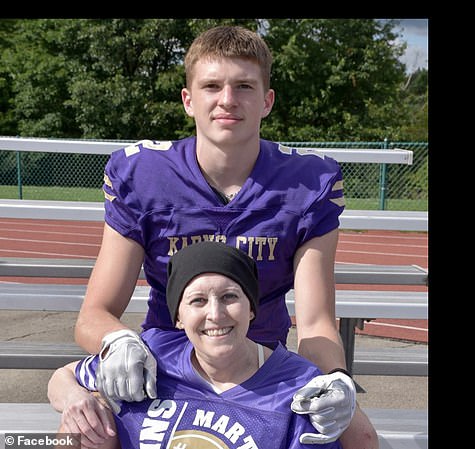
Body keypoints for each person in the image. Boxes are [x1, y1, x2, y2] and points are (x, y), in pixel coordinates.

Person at [71, 25, 377, 448]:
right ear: (188, 99)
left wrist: (336, 381)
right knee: (83, 430)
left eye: (244, 86)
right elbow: (94, 314)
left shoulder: (307, 182)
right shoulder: (144, 176)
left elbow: (314, 323)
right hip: (165, 363)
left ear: (267, 100)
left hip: (261, 365)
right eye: (212, 85)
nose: (227, 100)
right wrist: (117, 341)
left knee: (358, 435)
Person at [49, 241, 343, 449]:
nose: (215, 314)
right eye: (198, 301)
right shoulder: (152, 355)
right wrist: (76, 398)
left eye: (229, 297)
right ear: (178, 316)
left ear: (251, 308)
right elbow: (61, 378)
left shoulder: (299, 387)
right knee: (80, 431)